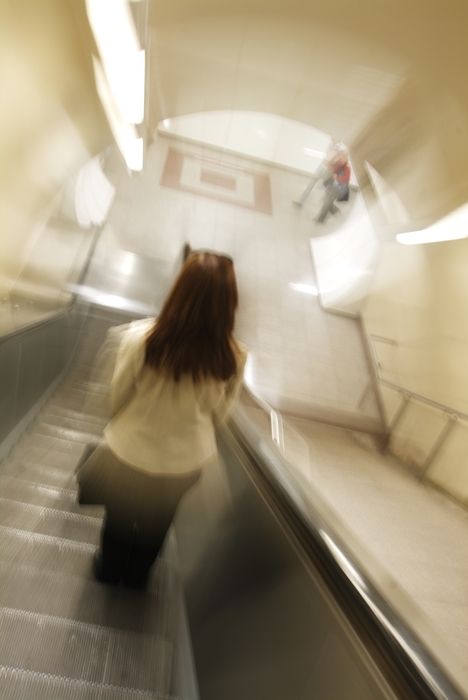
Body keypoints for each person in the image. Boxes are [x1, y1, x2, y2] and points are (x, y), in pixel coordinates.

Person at [76, 252, 247, 587]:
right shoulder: (234, 356)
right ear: (230, 302)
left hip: (129, 451)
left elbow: (118, 396)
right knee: (159, 521)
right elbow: (220, 416)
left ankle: (108, 571)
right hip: (185, 462)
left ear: (178, 290)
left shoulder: (142, 339)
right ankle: (138, 577)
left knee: (119, 516)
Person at [293, 139, 347, 207]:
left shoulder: (341, 149)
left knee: (322, 188)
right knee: (311, 183)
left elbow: (340, 162)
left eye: (334, 137)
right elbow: (327, 154)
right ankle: (301, 200)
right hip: (322, 167)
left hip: (328, 172)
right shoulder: (331, 144)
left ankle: (329, 207)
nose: (331, 138)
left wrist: (332, 164)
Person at [315, 151, 351, 223]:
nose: (341, 158)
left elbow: (346, 178)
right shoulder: (338, 164)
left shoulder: (347, 168)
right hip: (332, 185)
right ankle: (335, 211)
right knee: (326, 200)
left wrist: (337, 177)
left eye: (343, 156)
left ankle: (320, 219)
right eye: (340, 156)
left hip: (338, 188)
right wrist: (335, 156)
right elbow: (329, 164)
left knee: (327, 202)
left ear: (346, 158)